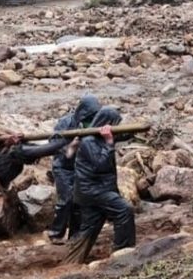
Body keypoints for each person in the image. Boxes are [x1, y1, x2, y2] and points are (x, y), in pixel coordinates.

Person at [72, 107, 135, 253]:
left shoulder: (100, 137)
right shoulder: (89, 141)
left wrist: (134, 129)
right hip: (94, 190)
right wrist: (109, 143)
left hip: (92, 190)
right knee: (124, 211)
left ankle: (72, 260)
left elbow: (124, 135)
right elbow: (100, 165)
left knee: (89, 230)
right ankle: (123, 251)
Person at [47, 94, 102, 244]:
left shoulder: (95, 124)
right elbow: (53, 143)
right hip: (63, 166)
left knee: (79, 202)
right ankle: (56, 233)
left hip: (81, 167)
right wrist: (70, 147)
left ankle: (74, 235)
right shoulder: (66, 122)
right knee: (66, 199)